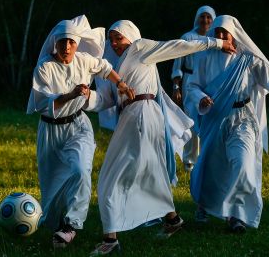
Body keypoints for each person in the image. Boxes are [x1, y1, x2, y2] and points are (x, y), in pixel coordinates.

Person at [90, 20, 236, 256]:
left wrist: (217, 42)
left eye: (119, 37)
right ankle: (172, 218)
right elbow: (105, 100)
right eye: (112, 39)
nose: (115, 43)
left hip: (142, 114)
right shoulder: (115, 66)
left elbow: (178, 46)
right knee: (149, 170)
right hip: (134, 117)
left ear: (131, 36)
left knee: (112, 174)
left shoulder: (140, 47)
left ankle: (110, 238)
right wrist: (81, 99)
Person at [26, 15, 133, 248]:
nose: (67, 47)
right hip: (51, 132)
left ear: (77, 43)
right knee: (52, 187)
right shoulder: (44, 67)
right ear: (56, 42)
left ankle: (72, 225)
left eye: (72, 42)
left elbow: (105, 67)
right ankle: (58, 225)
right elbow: (43, 101)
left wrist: (120, 83)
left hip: (78, 127)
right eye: (63, 41)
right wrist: (71, 94)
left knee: (80, 169)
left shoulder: (84, 60)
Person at [185, 15, 269, 232]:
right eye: (217, 33)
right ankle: (205, 204)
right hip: (215, 119)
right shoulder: (205, 56)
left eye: (225, 32)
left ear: (234, 34)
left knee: (243, 164)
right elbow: (192, 86)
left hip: (242, 119)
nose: (221, 37)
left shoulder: (249, 58)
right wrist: (201, 98)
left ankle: (236, 215)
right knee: (212, 167)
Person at [171, 5, 216, 171]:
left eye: (209, 17)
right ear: (197, 18)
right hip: (190, 81)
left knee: (208, 120)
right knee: (192, 119)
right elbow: (178, 64)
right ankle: (189, 159)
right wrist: (176, 86)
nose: (205, 20)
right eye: (202, 17)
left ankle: (205, 158)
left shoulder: (215, 39)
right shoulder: (188, 37)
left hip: (209, 83)